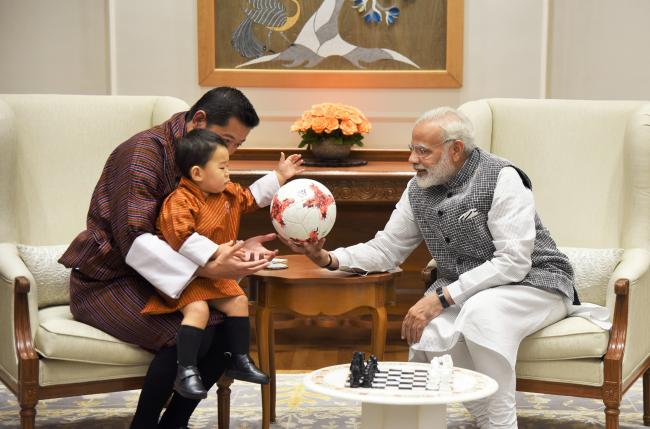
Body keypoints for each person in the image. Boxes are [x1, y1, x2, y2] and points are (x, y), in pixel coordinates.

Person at [282, 107, 602, 429]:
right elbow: (386, 248)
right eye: (412, 149)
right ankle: (469, 419)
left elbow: (514, 261)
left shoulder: (503, 178)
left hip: (536, 284)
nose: (412, 159)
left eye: (423, 151)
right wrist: (328, 258)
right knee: (427, 332)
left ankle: (501, 423)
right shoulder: (417, 189)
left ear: (456, 149)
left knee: (482, 312)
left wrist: (442, 298)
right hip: (469, 293)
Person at [59, 87, 301, 428]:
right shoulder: (141, 155)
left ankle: (174, 422)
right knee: (188, 332)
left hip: (162, 278)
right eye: (226, 140)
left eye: (237, 145)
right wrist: (210, 266)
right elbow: (135, 240)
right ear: (199, 120)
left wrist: (236, 247)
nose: (230, 152)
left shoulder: (204, 156)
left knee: (227, 330)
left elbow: (220, 215)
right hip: (108, 282)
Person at [141, 128, 303, 399]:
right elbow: (182, 238)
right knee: (198, 310)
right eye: (223, 167)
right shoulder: (179, 201)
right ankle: (186, 371)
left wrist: (279, 175)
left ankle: (239, 359)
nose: (229, 173)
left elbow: (251, 197)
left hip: (216, 274)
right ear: (197, 173)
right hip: (188, 276)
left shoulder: (227, 193)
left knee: (239, 301)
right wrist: (217, 251)